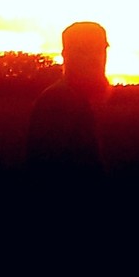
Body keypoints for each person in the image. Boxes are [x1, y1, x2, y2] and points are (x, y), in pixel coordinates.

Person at [24, 21, 111, 176]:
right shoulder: (57, 100)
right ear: (66, 55)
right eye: (84, 51)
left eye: (99, 50)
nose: (95, 58)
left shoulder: (89, 98)